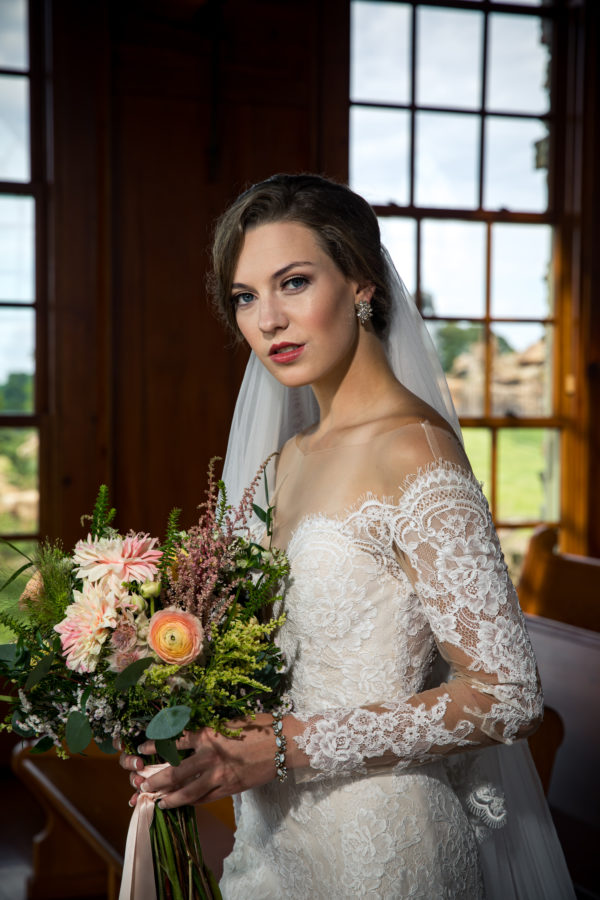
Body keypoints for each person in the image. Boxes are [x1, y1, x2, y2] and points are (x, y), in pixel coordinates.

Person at [120, 174, 575, 899]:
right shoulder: (283, 463)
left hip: (383, 850)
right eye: (245, 296)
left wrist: (286, 745)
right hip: (271, 839)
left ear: (361, 281)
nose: (268, 319)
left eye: (293, 282)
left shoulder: (413, 451)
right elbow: (260, 653)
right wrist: (173, 719)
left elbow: (508, 693)